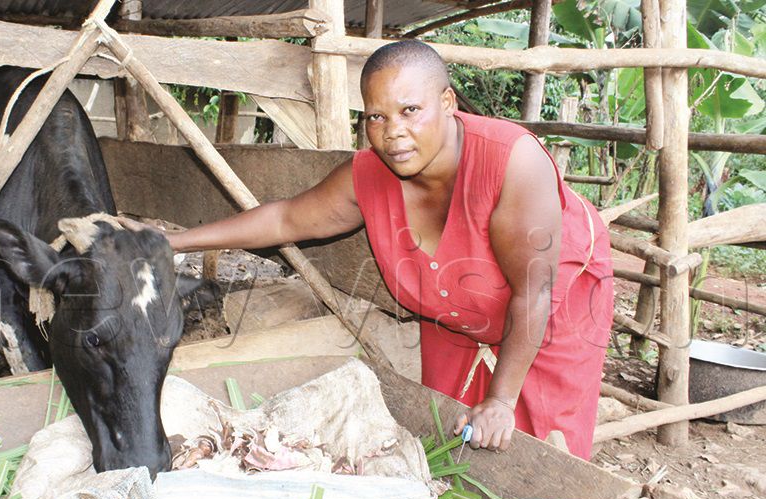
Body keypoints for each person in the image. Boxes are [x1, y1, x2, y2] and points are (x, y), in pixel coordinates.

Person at [162, 40, 613, 460]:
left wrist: (500, 399)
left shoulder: (512, 161)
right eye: (376, 117)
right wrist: (173, 243)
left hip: (550, 309)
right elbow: (284, 219)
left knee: (535, 446)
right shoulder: (370, 175)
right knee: (444, 435)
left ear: (448, 104)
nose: (393, 133)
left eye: (410, 110)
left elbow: (533, 293)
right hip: (454, 310)